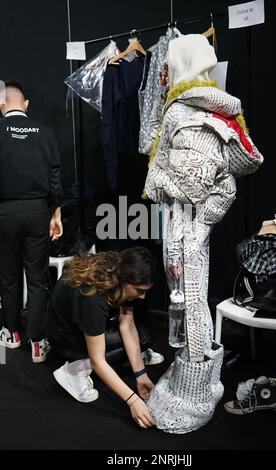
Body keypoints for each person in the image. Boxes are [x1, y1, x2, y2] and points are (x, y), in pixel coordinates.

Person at [143, 34, 264, 433]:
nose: (162, 73)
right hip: (189, 227)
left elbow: (201, 184)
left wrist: (163, 183)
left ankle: (192, 395)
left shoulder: (188, 112)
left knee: (190, 304)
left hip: (186, 230)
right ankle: (192, 383)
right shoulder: (213, 111)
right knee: (189, 303)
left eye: (168, 64)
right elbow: (222, 183)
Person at [46, 247, 156, 429]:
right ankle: (72, 371)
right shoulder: (92, 297)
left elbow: (127, 324)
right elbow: (98, 361)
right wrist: (132, 400)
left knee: (143, 338)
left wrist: (141, 375)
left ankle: (113, 358)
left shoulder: (119, 267)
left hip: (80, 324)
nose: (142, 297)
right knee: (107, 354)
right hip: (65, 339)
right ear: (124, 280)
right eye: (139, 290)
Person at [0, 80, 63, 362]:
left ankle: (11, 334)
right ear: (25, 104)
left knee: (8, 278)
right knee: (37, 280)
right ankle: (37, 343)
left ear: (1, 104)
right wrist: (56, 213)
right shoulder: (45, 132)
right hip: (38, 211)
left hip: (4, 213)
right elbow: (55, 178)